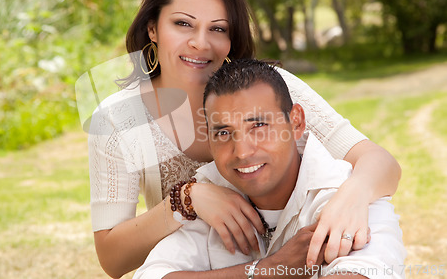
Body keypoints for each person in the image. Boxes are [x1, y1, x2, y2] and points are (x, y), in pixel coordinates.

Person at [87, 0, 402, 279]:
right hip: (198, 265)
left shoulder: (268, 87)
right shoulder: (118, 120)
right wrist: (187, 199)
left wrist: (352, 196)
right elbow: (113, 261)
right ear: (153, 28)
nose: (201, 42)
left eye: (218, 28)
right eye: (183, 24)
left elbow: (379, 161)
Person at [133, 59, 406, 279]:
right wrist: (267, 271)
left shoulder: (350, 202)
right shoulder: (210, 196)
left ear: (296, 122)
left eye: (259, 126)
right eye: (224, 133)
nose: (242, 152)